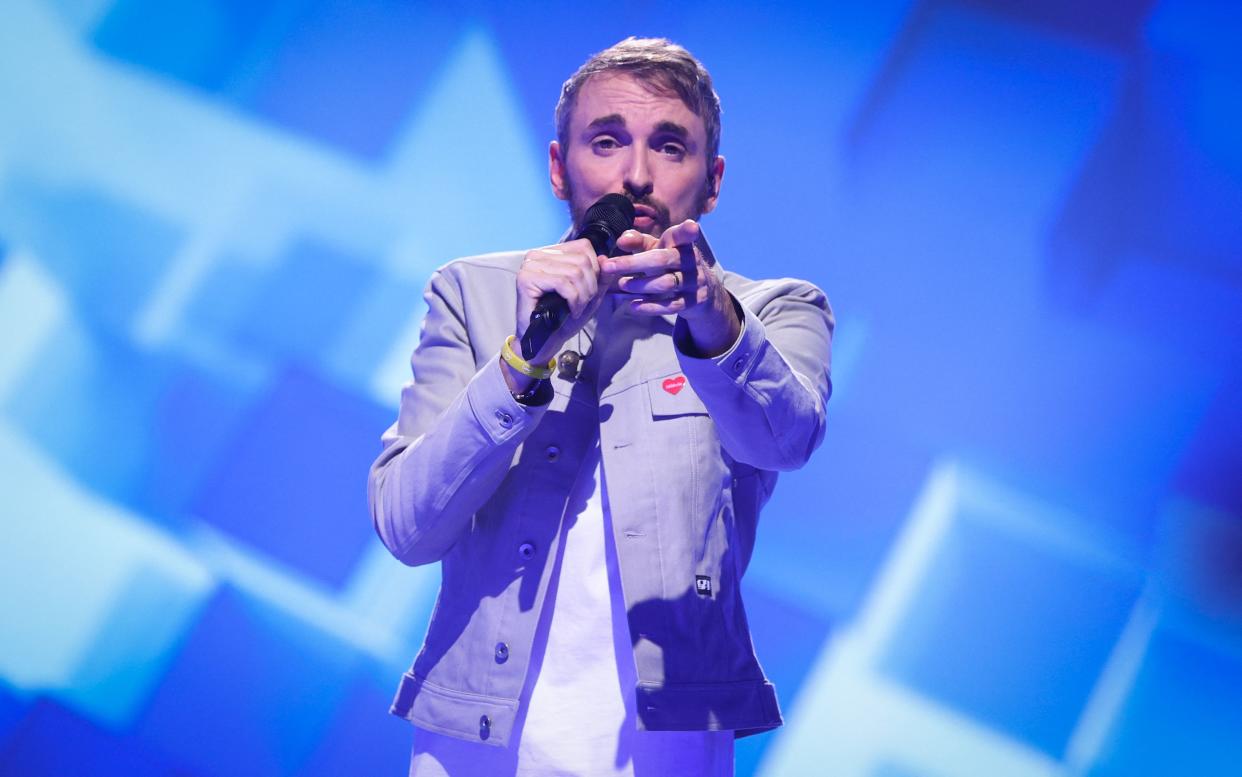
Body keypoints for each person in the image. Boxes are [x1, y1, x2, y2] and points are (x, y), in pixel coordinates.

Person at [368, 36, 834, 776]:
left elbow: (786, 438)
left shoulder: (771, 310)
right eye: (607, 141)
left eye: (670, 146)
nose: (636, 176)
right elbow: (406, 526)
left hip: (666, 743)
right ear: (560, 167)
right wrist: (525, 356)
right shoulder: (473, 293)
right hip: (473, 740)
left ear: (712, 183)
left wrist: (710, 317)